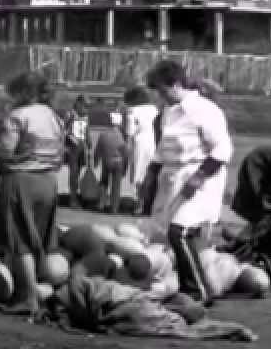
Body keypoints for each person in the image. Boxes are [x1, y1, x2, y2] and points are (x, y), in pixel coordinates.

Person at [0, 72, 65, 319]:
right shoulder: (54, 117)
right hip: (49, 181)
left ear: (23, 92)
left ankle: (27, 298)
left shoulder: (18, 116)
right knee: (39, 238)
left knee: (20, 240)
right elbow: (61, 153)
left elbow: (5, 151)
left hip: (21, 180)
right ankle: (36, 289)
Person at [147, 60, 233, 307]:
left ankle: (197, 291)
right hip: (173, 177)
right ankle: (193, 286)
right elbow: (163, 148)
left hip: (200, 177)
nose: (160, 96)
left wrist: (199, 177)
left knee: (179, 231)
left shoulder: (204, 110)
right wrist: (151, 174)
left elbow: (222, 149)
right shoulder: (168, 112)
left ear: (176, 84)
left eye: (162, 90)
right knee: (174, 233)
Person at [122, 87, 158, 206]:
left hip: (139, 142)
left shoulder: (132, 111)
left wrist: (126, 149)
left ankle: (139, 202)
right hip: (153, 142)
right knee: (149, 171)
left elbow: (129, 132)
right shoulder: (153, 109)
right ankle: (148, 201)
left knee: (138, 173)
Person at [93, 116, 130, 214]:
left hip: (106, 161)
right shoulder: (121, 135)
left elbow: (98, 150)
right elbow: (125, 153)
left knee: (103, 182)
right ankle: (114, 208)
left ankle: (101, 204)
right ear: (119, 124)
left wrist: (95, 162)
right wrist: (125, 167)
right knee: (116, 186)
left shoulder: (103, 134)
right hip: (118, 162)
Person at [64, 95, 90, 208]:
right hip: (73, 147)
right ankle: (72, 199)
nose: (86, 108)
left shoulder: (85, 116)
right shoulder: (70, 114)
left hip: (82, 146)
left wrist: (89, 144)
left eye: (87, 106)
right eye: (84, 105)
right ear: (78, 103)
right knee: (73, 173)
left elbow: (87, 130)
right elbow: (64, 131)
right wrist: (70, 140)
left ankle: (75, 197)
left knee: (78, 173)